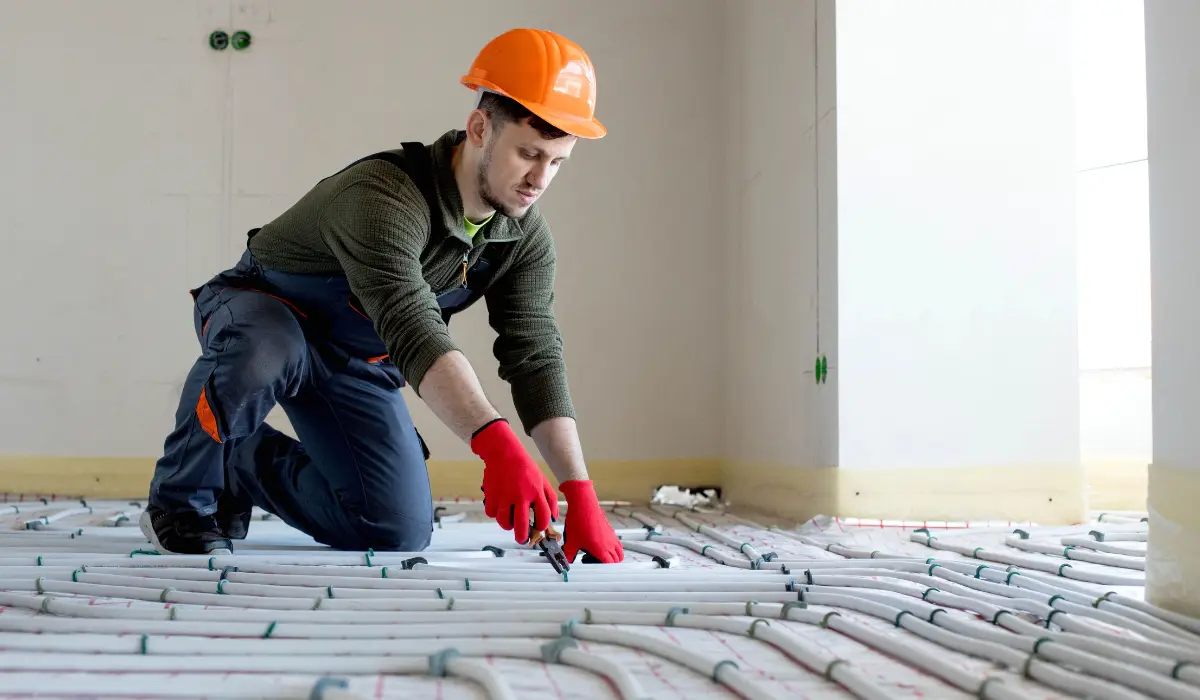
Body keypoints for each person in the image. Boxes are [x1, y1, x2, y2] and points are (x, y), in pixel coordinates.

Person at [140, 28, 625, 566]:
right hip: (264, 312)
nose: (539, 179)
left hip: (353, 359)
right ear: (481, 127)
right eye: (528, 154)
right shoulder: (383, 197)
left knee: (394, 526)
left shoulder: (523, 239)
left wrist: (579, 490)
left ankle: (238, 463)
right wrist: (496, 444)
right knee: (263, 352)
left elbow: (534, 356)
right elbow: (412, 324)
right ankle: (178, 499)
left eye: (557, 162)